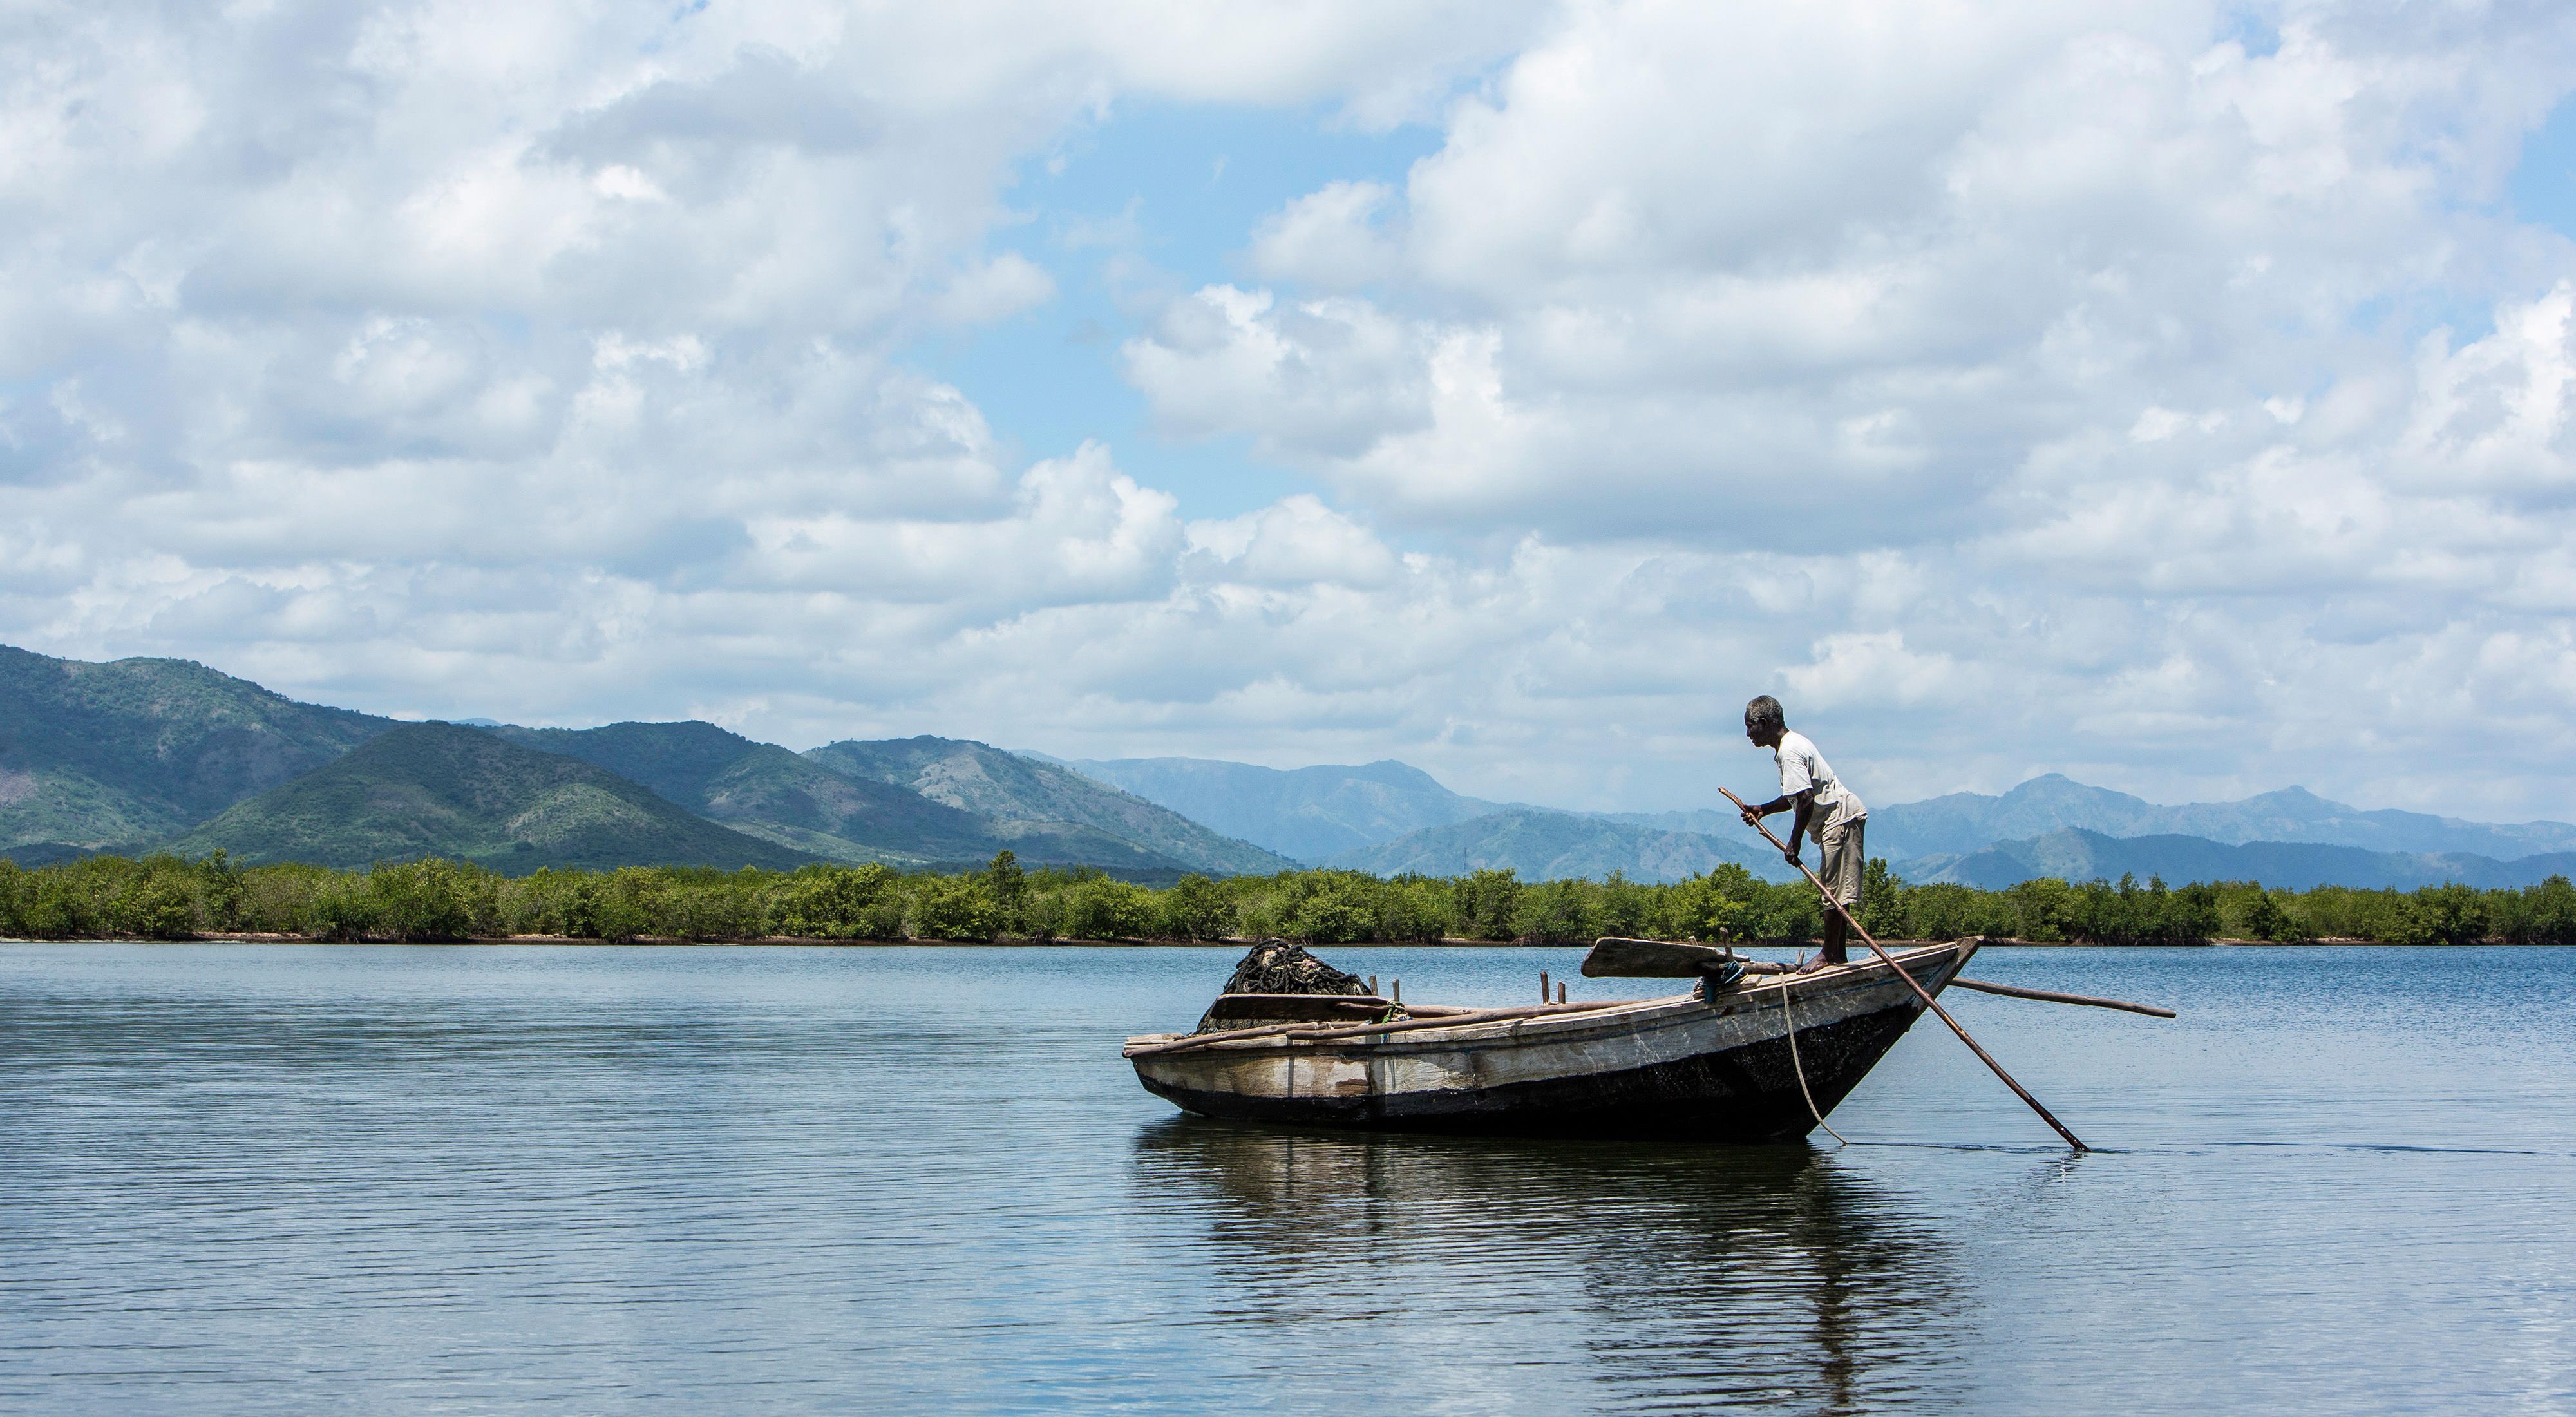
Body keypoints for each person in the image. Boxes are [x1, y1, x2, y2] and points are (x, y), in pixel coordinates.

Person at [1738, 696, 1867, 970]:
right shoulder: (1791, 745)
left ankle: (1829, 955)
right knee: (1837, 890)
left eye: (1750, 726)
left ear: (1765, 723)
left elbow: (1806, 798)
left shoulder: (1790, 751)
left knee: (1833, 890)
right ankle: (1837, 955)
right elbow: (1795, 797)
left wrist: (1793, 843)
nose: (1748, 733)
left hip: (1839, 819)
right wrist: (1763, 809)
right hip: (1841, 819)